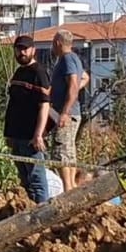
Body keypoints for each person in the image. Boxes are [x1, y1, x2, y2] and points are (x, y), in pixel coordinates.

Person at [3, 34, 52, 203]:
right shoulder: (18, 73)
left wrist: (38, 135)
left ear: (33, 50)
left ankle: (43, 217)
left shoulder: (39, 73)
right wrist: (8, 134)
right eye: (18, 49)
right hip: (17, 136)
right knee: (25, 182)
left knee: (37, 181)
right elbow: (13, 105)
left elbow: (44, 105)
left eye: (25, 49)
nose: (21, 52)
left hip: (31, 139)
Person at [48, 30, 86, 191]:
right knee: (68, 150)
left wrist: (65, 111)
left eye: (53, 43)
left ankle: (68, 187)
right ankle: (70, 187)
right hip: (69, 112)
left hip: (67, 114)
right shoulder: (74, 59)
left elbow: (73, 83)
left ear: (58, 42)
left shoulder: (67, 60)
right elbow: (84, 78)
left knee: (61, 150)